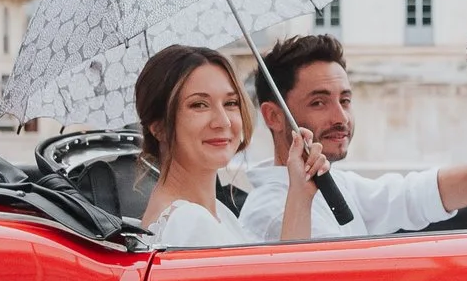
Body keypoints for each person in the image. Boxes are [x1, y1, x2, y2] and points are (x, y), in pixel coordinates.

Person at [237, 33, 467, 242]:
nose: (341, 117)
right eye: (318, 102)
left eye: (345, 100)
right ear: (273, 116)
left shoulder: (334, 185)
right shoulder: (274, 212)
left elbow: (419, 194)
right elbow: (338, 277)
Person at [133, 44, 328, 248]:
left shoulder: (216, 212)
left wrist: (300, 192)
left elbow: (282, 276)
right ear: (159, 127)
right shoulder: (190, 221)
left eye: (231, 103)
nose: (223, 121)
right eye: (199, 105)